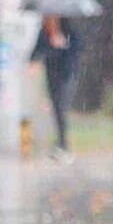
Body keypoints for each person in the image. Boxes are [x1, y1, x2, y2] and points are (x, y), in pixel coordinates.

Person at [29, 14, 84, 155]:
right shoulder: (44, 33)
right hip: (51, 75)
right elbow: (36, 52)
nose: (49, 22)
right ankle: (60, 140)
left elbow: (76, 51)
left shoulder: (70, 32)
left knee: (61, 106)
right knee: (55, 107)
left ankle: (63, 142)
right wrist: (36, 60)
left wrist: (63, 46)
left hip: (67, 75)